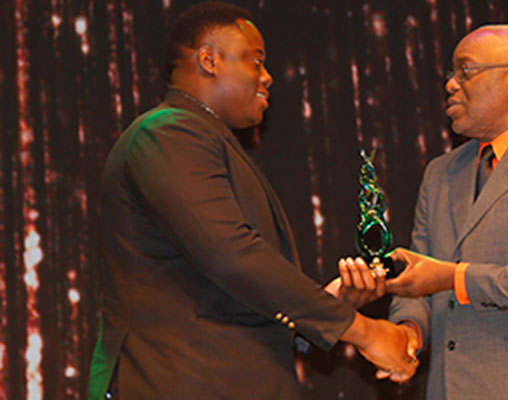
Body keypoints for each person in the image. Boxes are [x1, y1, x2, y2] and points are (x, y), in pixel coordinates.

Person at [88, 3, 417, 399]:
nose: (267, 77)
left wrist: (326, 305)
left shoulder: (203, 139)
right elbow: (231, 256)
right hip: (183, 381)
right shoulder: (169, 133)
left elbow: (223, 287)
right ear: (208, 59)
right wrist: (364, 330)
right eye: (256, 61)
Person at [339, 24, 508, 398]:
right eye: (452, 74)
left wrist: (453, 279)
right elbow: (418, 279)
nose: (451, 84)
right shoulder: (441, 173)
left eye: (465, 70)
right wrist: (407, 332)